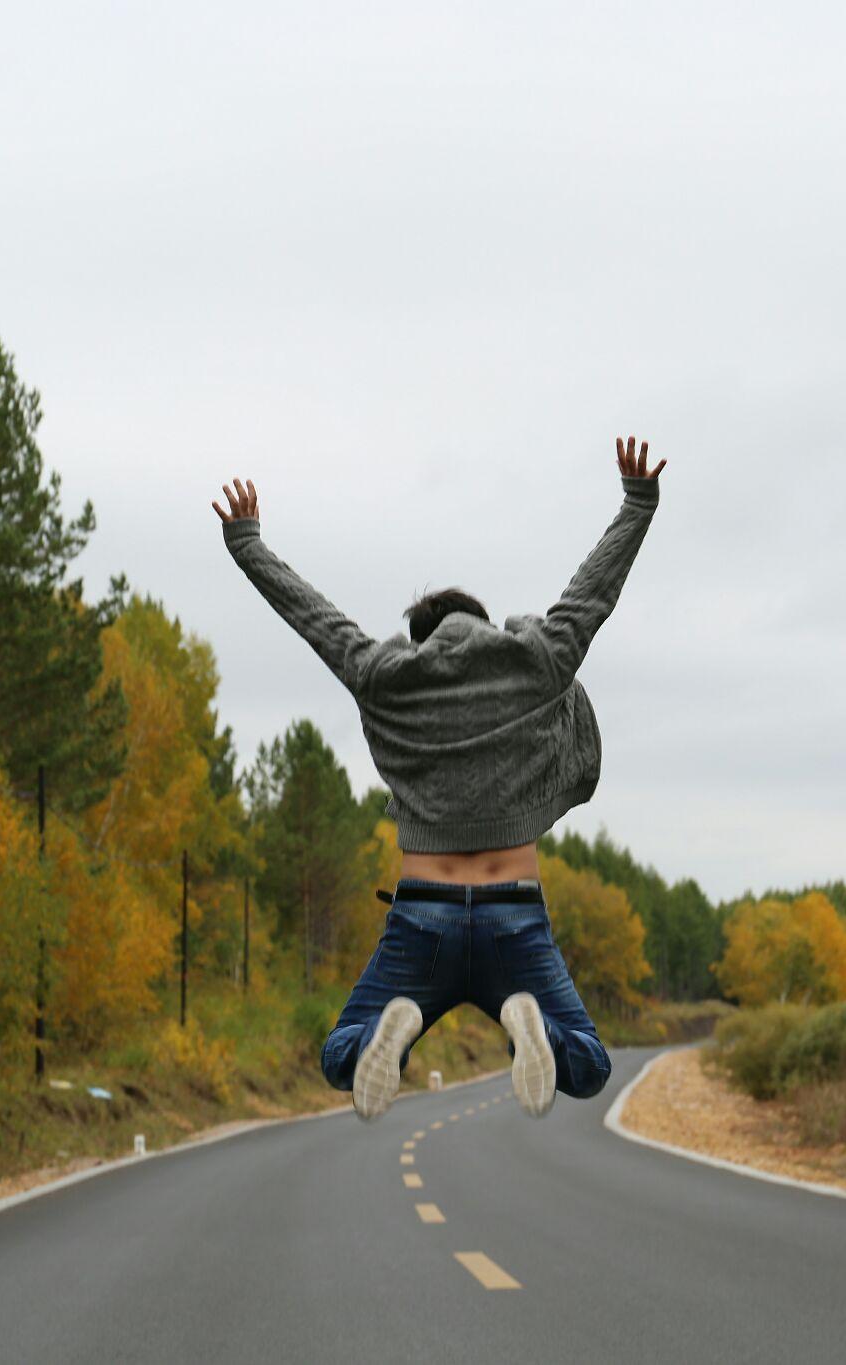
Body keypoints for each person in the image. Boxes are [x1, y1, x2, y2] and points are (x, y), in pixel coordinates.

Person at [212, 436, 666, 1120]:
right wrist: (637, 503)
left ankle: (386, 1043)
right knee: (589, 1062)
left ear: (420, 640)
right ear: (483, 625)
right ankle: (530, 1031)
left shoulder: (381, 674)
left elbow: (311, 615)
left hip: (422, 911)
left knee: (342, 1052)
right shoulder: (536, 659)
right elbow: (593, 592)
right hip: (514, 907)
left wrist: (247, 541)